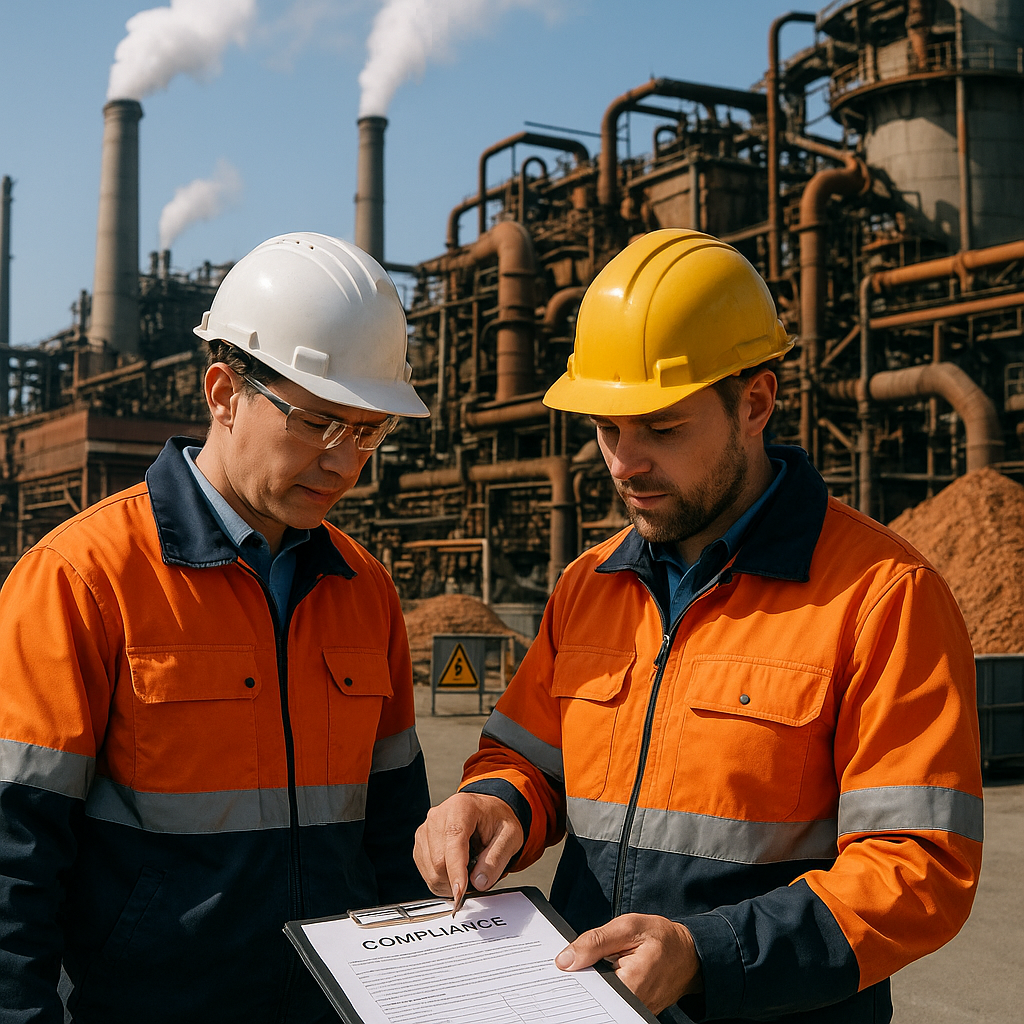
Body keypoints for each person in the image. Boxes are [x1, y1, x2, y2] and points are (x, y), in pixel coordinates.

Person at [414, 229, 984, 1024]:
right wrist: (493, 802)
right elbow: (530, 759)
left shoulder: (883, 596)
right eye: (608, 428)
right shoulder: (591, 584)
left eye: (662, 427)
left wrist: (708, 954)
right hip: (584, 1003)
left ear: (755, 402)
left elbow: (918, 867)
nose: (624, 462)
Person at [0, 233, 432, 1022]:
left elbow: (394, 839)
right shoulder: (82, 580)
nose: (344, 462)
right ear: (224, 391)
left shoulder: (365, 590)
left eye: (369, 431)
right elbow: (10, 866)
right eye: (316, 422)